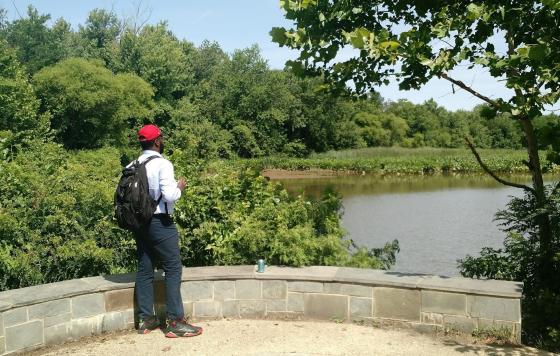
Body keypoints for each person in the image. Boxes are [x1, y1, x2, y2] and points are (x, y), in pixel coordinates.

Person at [134, 124, 203, 338]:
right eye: (161, 138)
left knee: (145, 268)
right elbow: (170, 196)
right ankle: (175, 321)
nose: (162, 141)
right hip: (160, 222)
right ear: (156, 141)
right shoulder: (163, 164)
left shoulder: (134, 163)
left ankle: (146, 320)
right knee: (173, 267)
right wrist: (180, 187)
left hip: (139, 223)